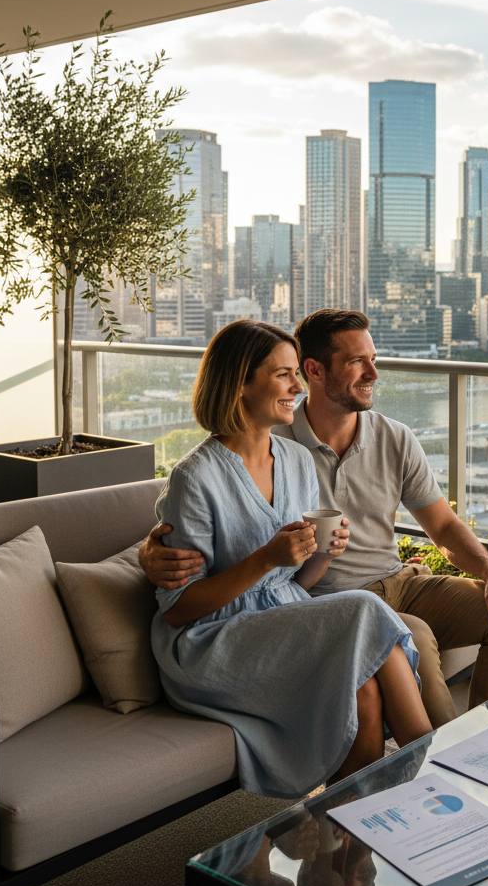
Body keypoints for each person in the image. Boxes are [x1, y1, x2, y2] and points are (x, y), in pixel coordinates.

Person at [141, 309, 488, 727]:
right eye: (357, 362)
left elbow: (442, 527)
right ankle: (446, 767)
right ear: (315, 370)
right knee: (411, 634)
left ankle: (485, 742)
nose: (373, 373)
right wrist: (149, 550)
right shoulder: (271, 434)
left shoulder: (392, 437)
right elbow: (213, 498)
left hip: (400, 580)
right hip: (326, 599)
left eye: (374, 359)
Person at [149, 319, 432, 798]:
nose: (298, 387)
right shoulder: (194, 478)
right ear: (240, 382)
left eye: (296, 375)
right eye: (284, 375)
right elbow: (178, 610)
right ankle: (432, 775)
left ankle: (348, 848)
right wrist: (264, 559)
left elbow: (297, 582)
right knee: (365, 610)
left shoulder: (297, 460)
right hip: (210, 641)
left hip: (278, 615)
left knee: (362, 687)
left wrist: (320, 551)